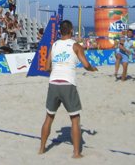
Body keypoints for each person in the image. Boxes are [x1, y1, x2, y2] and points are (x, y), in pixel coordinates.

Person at [39, 20, 98, 159]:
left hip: (53, 83)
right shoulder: (75, 45)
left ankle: (42, 149)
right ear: (71, 30)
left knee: (49, 117)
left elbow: (47, 68)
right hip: (67, 83)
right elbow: (85, 64)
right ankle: (76, 153)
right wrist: (93, 69)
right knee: (75, 119)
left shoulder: (54, 45)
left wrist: (57, 70)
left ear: (60, 31)